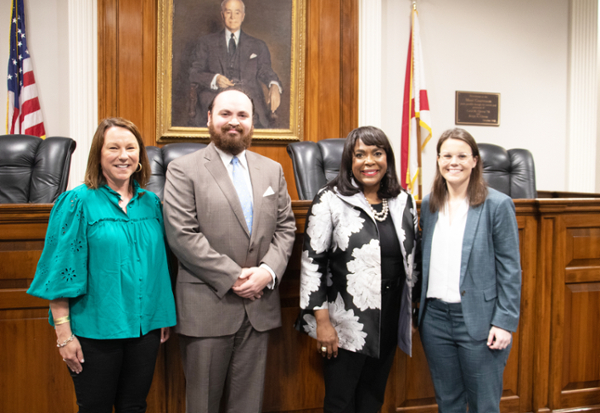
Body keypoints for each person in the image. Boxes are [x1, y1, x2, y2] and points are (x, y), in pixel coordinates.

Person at [27, 117, 177, 413]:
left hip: (144, 328)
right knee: (94, 407)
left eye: (131, 148)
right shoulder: (77, 202)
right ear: (98, 154)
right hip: (94, 331)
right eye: (114, 148)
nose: (124, 155)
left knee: (134, 406)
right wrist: (63, 334)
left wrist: (161, 316)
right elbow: (60, 273)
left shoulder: (151, 204)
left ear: (140, 156)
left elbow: (160, 267)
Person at [163, 88, 296, 413]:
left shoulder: (272, 170)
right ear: (209, 118)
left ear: (252, 122)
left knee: (248, 406)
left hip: (259, 307)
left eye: (242, 115)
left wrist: (266, 272)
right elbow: (182, 234)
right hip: (208, 307)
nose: (233, 122)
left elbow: (286, 228)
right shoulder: (183, 169)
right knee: (202, 405)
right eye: (225, 114)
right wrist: (235, 276)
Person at [295, 126, 419, 413]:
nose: (369, 161)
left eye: (377, 153)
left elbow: (414, 258)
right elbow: (312, 261)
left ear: (387, 158)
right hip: (345, 317)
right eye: (360, 154)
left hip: (389, 313)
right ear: (349, 161)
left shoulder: (403, 201)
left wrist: (410, 310)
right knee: (340, 400)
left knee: (373, 397)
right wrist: (322, 322)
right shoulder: (330, 199)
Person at [417, 128, 521, 412]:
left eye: (462, 156)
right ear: (438, 160)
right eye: (447, 155)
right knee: (447, 402)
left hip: (479, 321)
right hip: (435, 320)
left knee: (483, 406)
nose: (454, 162)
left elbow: (510, 269)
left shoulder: (497, 205)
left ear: (475, 161)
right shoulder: (429, 204)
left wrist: (504, 322)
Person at [189, 0, 282, 129]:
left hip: (250, 101)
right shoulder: (206, 43)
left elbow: (266, 71)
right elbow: (194, 73)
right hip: (214, 99)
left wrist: (273, 85)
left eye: (237, 12)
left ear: (243, 16)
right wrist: (215, 79)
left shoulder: (258, 45)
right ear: (222, 15)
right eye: (228, 12)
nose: (233, 17)